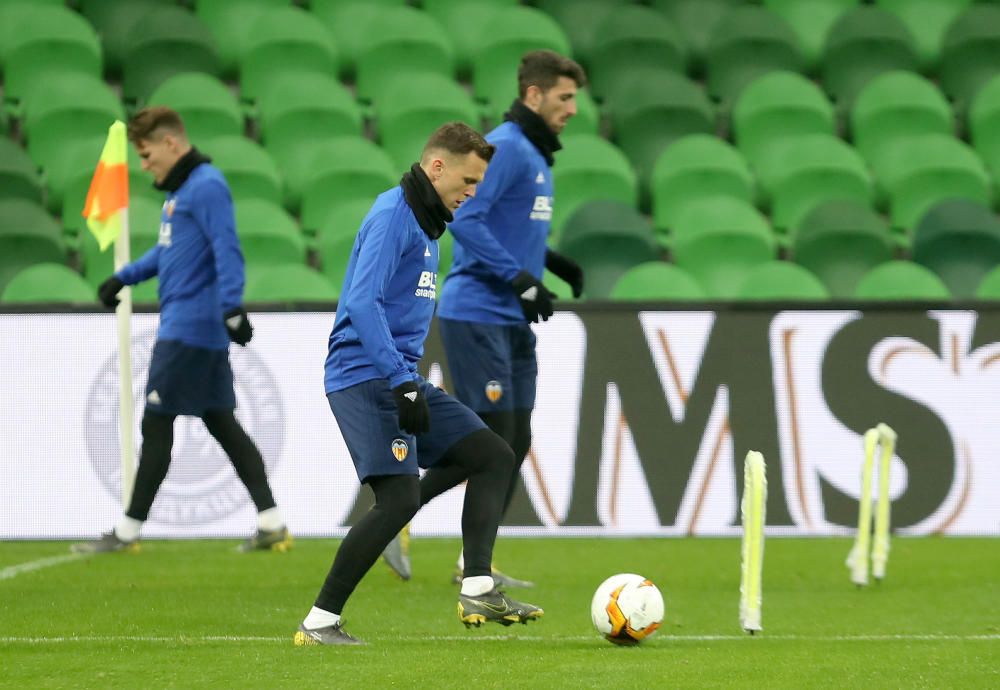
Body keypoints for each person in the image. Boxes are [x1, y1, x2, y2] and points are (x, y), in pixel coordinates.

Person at [293, 122, 543, 647]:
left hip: (395, 375)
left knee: (494, 455)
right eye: (468, 180)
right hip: (365, 377)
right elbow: (363, 304)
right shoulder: (393, 216)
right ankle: (319, 622)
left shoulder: (427, 223)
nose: (472, 192)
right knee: (399, 499)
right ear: (437, 167)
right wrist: (402, 380)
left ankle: (478, 586)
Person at [381, 51, 587, 588]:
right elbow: (466, 217)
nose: (572, 109)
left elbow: (511, 228)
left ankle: (475, 563)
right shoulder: (511, 149)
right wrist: (518, 276)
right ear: (534, 94)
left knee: (514, 441)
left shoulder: (537, 155)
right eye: (564, 98)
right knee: (490, 441)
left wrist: (548, 262)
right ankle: (391, 517)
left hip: (511, 321)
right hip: (477, 312)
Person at [72, 107, 290, 555]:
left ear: (172, 143)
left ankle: (128, 532)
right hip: (196, 332)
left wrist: (232, 307)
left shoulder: (207, 186)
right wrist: (124, 276)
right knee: (223, 424)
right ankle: (272, 521)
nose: (145, 165)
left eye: (148, 154)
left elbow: (227, 247)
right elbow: (169, 251)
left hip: (188, 331)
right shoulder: (184, 191)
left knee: (156, 422)